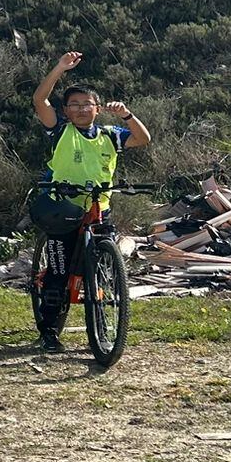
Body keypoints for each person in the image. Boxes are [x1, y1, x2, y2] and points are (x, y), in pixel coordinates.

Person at [29, 50, 153, 352]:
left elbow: (143, 139)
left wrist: (127, 114)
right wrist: (59, 68)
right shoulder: (60, 130)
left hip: (99, 208)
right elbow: (39, 101)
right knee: (58, 273)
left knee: (105, 267)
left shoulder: (110, 134)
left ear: (97, 108)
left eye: (87, 104)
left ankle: (101, 323)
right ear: (67, 110)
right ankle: (48, 331)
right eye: (75, 104)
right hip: (63, 208)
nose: (81, 108)